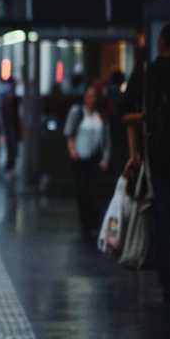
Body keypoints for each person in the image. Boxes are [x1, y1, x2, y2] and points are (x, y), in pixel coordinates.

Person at [123, 24, 170, 303]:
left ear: (161, 43)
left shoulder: (147, 73)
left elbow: (125, 113)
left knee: (163, 216)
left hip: (158, 155)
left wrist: (136, 149)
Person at [65, 82, 110, 234]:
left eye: (94, 96)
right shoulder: (77, 112)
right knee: (82, 189)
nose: (91, 99)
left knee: (91, 189)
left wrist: (105, 157)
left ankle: (93, 220)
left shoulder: (100, 117)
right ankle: (86, 221)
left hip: (93, 158)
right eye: (89, 96)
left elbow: (106, 140)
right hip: (78, 157)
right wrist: (72, 150)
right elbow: (69, 133)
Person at [0, 76, 22, 173]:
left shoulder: (10, 98)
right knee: (11, 145)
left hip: (11, 125)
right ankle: (11, 163)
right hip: (11, 125)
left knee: (12, 145)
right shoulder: (9, 98)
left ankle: (11, 164)